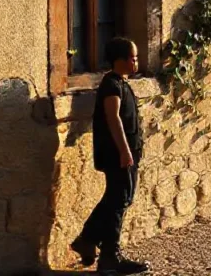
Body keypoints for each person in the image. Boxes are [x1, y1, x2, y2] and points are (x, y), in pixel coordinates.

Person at [71, 37, 149, 274]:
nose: (136, 62)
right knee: (118, 201)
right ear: (120, 60)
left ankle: (88, 240)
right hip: (117, 154)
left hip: (125, 152)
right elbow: (113, 118)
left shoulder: (121, 84)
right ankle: (109, 256)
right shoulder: (111, 85)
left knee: (118, 199)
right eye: (132, 58)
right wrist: (124, 151)